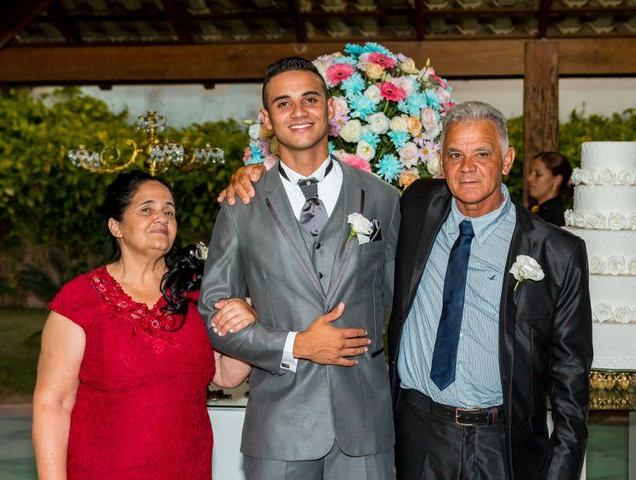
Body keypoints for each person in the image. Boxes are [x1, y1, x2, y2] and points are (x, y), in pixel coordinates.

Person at [200, 57, 400, 479]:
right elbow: (213, 312)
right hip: (279, 427)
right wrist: (294, 345)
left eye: (309, 99)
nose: (299, 112)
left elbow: (401, 301)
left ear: (330, 109)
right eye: (283, 103)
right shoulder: (242, 204)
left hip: (365, 425)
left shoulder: (383, 198)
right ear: (267, 119)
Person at [388, 102, 592, 479]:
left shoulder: (557, 253)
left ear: (507, 160)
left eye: (482, 153)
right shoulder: (417, 206)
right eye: (455, 154)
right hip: (417, 436)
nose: (467, 167)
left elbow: (571, 387)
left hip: (502, 447)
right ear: (441, 161)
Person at [32, 170, 254, 480]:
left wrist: (244, 326)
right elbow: (52, 404)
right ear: (116, 226)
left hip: (186, 468)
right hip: (102, 470)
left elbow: (226, 374)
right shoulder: (81, 299)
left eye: (169, 211)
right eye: (146, 209)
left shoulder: (198, 293)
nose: (161, 218)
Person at [527, 151, 572, 226]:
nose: (529, 178)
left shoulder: (554, 218)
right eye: (530, 172)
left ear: (557, 180)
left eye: (538, 174)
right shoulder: (536, 209)